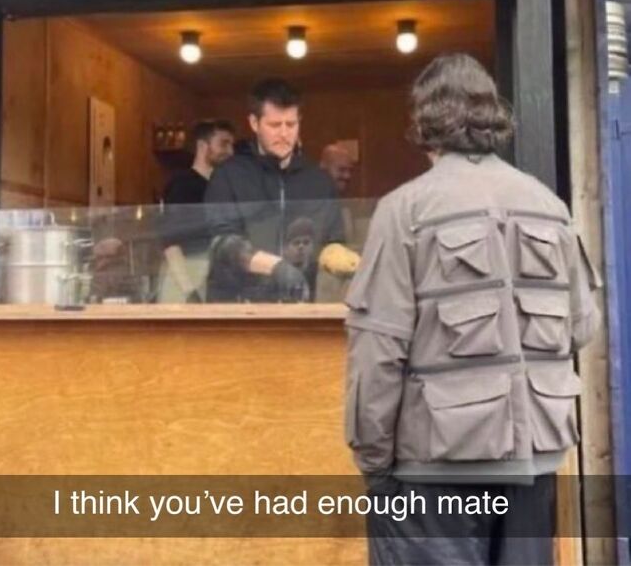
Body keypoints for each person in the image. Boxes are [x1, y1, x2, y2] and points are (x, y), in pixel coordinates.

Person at [344, 53, 601, 566]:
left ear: (423, 122)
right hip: (532, 466)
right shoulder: (549, 206)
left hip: (433, 472)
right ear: (490, 114)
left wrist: (375, 466)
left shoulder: (405, 210)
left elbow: (379, 351)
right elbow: (581, 327)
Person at [205, 78, 361, 302]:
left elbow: (331, 242)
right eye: (275, 125)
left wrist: (353, 264)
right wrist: (276, 267)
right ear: (254, 123)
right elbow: (223, 245)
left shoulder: (319, 181)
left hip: (297, 306)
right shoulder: (228, 175)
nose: (284, 133)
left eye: (291, 124)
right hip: (239, 310)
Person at [159, 119, 234, 302]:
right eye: (223, 144)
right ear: (202, 145)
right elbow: (171, 243)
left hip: (210, 283)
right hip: (185, 281)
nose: (230, 152)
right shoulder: (182, 185)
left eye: (232, 145)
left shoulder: (222, 188)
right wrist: (189, 291)